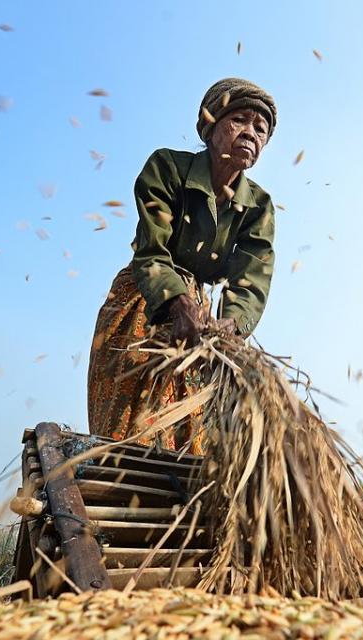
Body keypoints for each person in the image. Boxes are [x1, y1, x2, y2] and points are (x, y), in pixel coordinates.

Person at [87, 78, 278, 452]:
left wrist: (231, 326)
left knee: (187, 435)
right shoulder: (167, 168)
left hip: (200, 319)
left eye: (261, 129)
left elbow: (252, 278)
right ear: (210, 125)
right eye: (239, 119)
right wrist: (178, 303)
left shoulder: (259, 206)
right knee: (128, 425)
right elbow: (151, 250)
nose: (251, 133)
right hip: (145, 299)